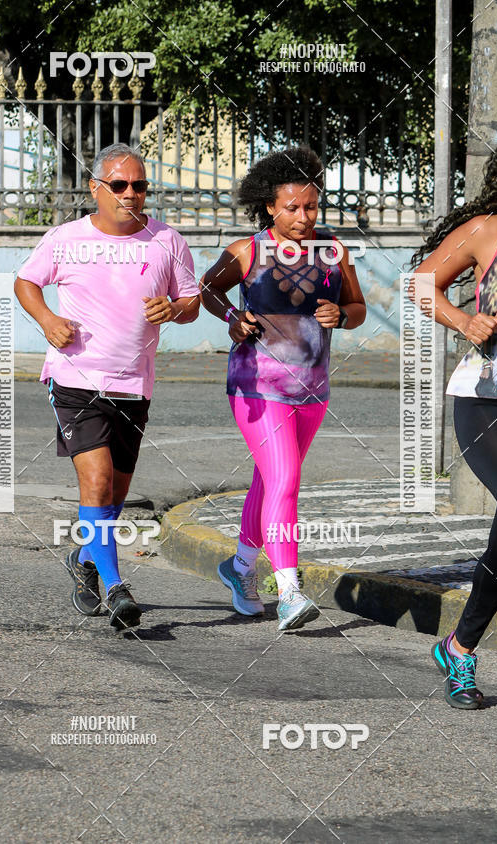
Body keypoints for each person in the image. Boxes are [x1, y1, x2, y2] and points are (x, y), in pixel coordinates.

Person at [15, 143, 200, 628]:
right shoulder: (67, 238)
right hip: (76, 377)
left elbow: (191, 303)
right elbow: (26, 282)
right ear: (96, 188)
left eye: (140, 186)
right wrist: (47, 319)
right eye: (119, 185)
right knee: (95, 482)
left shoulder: (168, 241)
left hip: (134, 384)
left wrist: (174, 309)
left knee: (114, 494)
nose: (131, 194)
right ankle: (118, 587)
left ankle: (87, 557)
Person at [200, 146, 366, 630]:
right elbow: (208, 290)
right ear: (271, 207)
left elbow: (355, 308)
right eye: (292, 208)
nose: (303, 216)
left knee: (270, 482)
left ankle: (240, 569)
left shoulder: (333, 251)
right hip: (257, 387)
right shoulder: (248, 250)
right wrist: (234, 317)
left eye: (311, 206)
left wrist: (343, 316)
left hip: (312, 390)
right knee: (287, 480)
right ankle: (290, 591)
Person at [411, 132, 497, 709]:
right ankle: (462, 648)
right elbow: (424, 282)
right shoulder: (489, 231)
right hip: (488, 400)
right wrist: (461, 322)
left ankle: (459, 646)